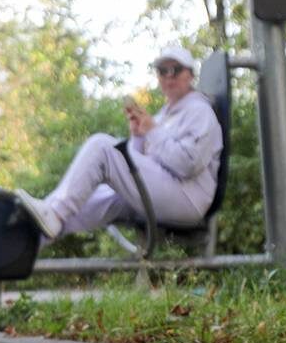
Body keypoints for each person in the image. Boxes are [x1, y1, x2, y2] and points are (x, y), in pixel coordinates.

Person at [14, 45, 224, 240]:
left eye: (175, 70)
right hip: (168, 192)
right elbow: (142, 164)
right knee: (92, 201)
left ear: (190, 74)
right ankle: (28, 241)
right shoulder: (164, 115)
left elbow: (187, 165)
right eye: (162, 70)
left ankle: (55, 212)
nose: (169, 77)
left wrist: (152, 131)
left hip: (188, 200)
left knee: (103, 147)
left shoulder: (199, 111)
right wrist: (139, 136)